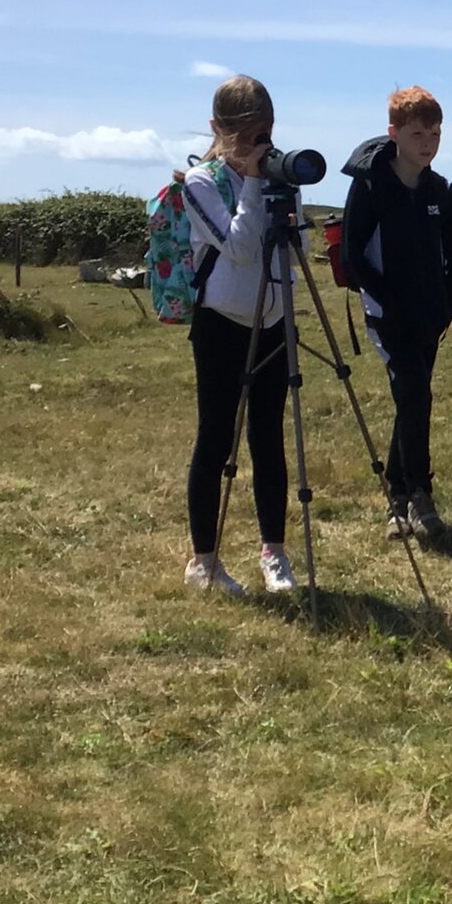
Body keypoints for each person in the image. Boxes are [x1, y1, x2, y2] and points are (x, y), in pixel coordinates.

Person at [182, 75, 299, 597]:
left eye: (265, 132)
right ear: (217, 129)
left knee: (269, 439)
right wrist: (253, 182)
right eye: (246, 133)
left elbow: (287, 247)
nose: (258, 144)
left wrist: (275, 185)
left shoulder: (277, 174)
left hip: (274, 319)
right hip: (222, 324)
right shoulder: (199, 183)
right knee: (216, 439)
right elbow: (242, 249)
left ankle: (274, 551)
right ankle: (203, 561)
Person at [339, 85, 452, 541]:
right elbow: (355, 257)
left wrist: (449, 302)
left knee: (411, 400)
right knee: (415, 394)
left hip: (430, 317)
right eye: (417, 133)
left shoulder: (442, 190)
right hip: (386, 315)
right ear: (393, 133)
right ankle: (420, 496)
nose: (428, 142)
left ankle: (397, 499)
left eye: (434, 133)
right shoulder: (370, 188)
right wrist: (388, 303)